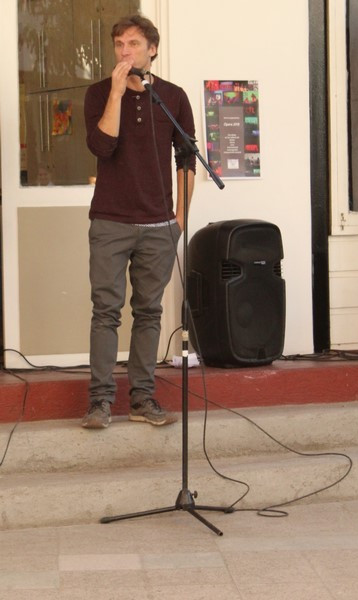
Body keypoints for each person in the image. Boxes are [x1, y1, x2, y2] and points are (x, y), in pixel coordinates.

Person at [81, 14, 196, 429]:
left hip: (158, 226)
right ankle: (100, 402)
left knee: (148, 313)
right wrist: (116, 92)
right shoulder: (98, 93)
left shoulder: (172, 97)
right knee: (105, 312)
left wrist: (179, 218)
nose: (124, 51)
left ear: (152, 49)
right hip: (110, 222)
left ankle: (143, 399)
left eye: (132, 44)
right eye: (119, 44)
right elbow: (102, 146)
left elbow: (187, 159)